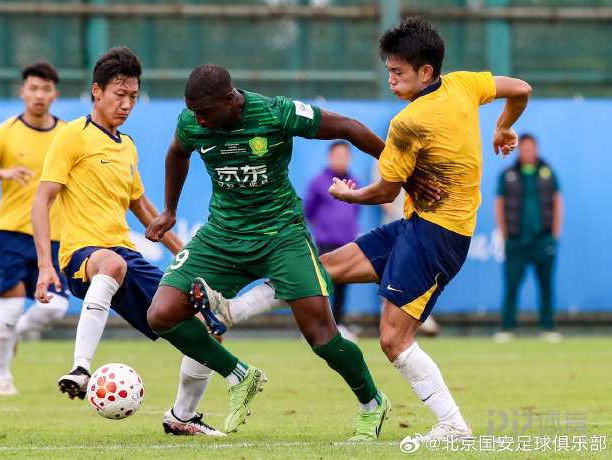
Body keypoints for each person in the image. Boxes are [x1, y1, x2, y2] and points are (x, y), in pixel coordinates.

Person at [203, 17, 532, 442]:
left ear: (425, 71)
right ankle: (233, 311)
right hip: (419, 225)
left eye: (397, 72)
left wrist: (349, 194)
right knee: (322, 269)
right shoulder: (465, 84)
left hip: (438, 235)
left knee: (393, 340)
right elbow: (520, 89)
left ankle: (453, 425)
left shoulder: (409, 122)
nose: (390, 80)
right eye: (388, 70)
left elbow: (384, 192)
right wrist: (503, 126)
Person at [146, 64, 391, 440]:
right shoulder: (192, 122)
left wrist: (399, 168)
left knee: (322, 336)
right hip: (223, 235)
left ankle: (372, 403)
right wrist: (169, 210)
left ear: (230, 99)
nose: (199, 120)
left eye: (205, 112)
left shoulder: (277, 113)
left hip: (281, 236)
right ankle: (239, 376)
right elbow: (177, 153)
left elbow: (348, 127)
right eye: (193, 112)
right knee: (162, 313)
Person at [32, 47, 223, 436]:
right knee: (112, 264)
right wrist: (45, 266)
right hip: (82, 256)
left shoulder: (127, 145)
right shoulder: (72, 136)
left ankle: (182, 417)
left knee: (205, 327)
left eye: (133, 96)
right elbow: (42, 200)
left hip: (125, 255)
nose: (126, 104)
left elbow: (146, 210)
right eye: (119, 94)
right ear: (96, 91)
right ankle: (81, 368)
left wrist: (186, 257)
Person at [0, 62, 70, 396]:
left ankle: (19, 331)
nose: (39, 95)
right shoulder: (5, 132)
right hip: (11, 235)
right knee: (8, 311)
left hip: (54, 237)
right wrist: (2, 173)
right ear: (22, 92)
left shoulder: (68, 134)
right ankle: (2, 377)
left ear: (55, 94)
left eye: (46, 89)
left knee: (56, 308)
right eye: (33, 88)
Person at [494, 133, 563, 343]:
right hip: (516, 240)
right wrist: (504, 232)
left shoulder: (547, 173)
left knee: (546, 285)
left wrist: (554, 234)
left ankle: (548, 327)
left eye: (531, 148)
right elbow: (499, 203)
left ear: (537, 149)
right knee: (512, 284)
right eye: (523, 148)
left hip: (543, 240)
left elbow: (557, 202)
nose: (528, 152)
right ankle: (507, 327)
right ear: (518, 150)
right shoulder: (508, 175)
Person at [304, 141, 360, 340]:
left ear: (350, 158)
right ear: (330, 157)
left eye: (344, 155)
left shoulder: (354, 182)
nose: (341, 159)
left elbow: (355, 210)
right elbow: (309, 211)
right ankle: (317, 326)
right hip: (326, 243)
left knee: (344, 285)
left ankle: (339, 325)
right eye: (337, 155)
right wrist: (325, 228)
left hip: (348, 242)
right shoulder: (319, 182)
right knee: (323, 286)